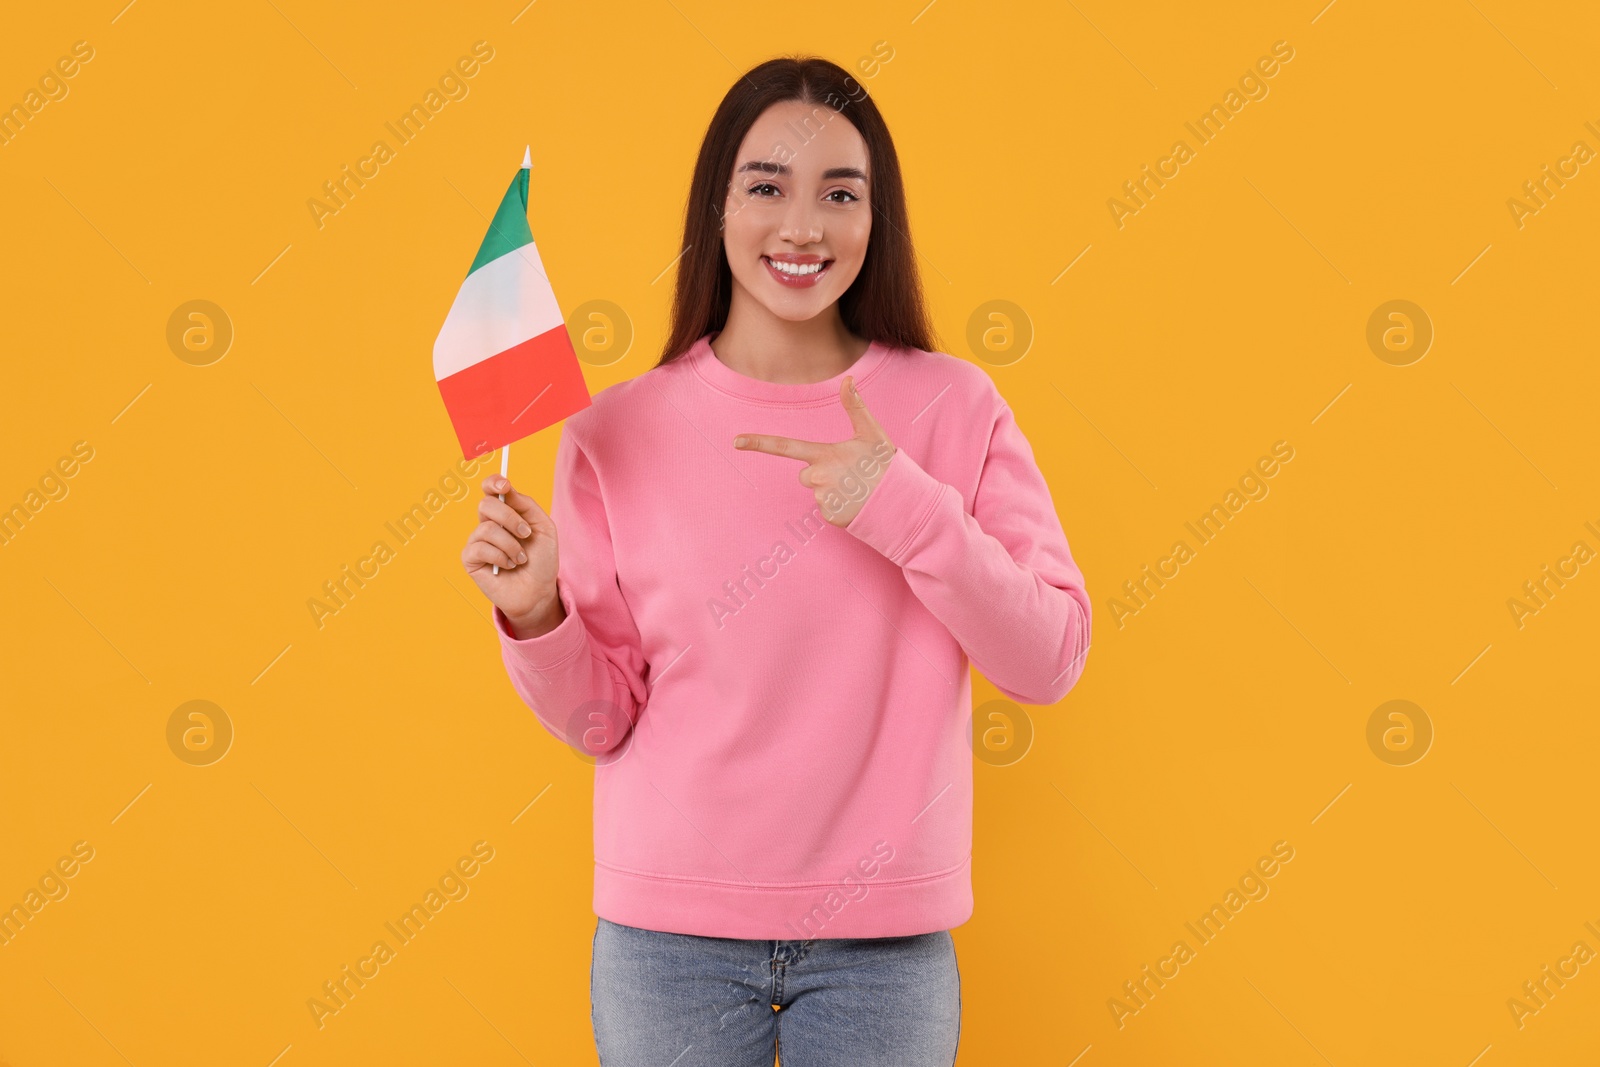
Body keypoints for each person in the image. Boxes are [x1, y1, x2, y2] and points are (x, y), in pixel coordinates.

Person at [462, 54, 1091, 1067]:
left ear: (874, 220)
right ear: (717, 207)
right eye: (766, 187)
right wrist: (539, 615)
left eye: (840, 194)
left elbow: (1048, 657)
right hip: (666, 937)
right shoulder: (616, 429)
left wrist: (904, 508)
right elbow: (603, 718)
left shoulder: (954, 406)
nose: (801, 226)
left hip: (884, 943)